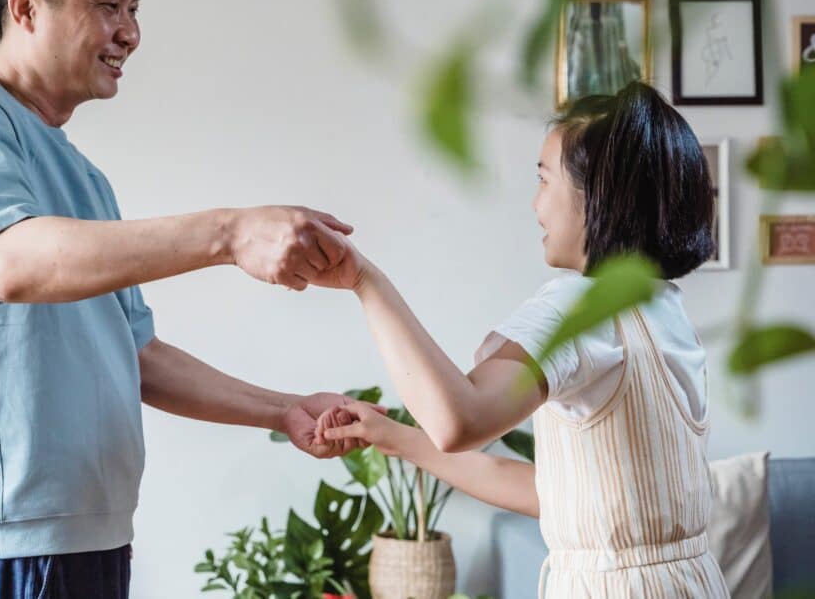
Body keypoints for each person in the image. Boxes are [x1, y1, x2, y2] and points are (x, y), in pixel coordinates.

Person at [0, 0, 372, 596]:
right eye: (109, 6)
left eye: (134, 11)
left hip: (98, 536)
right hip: (7, 544)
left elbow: (137, 353)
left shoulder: (87, 181)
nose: (130, 33)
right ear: (26, 7)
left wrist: (285, 409)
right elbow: (8, 262)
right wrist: (229, 232)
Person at [312, 82, 731, 597]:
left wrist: (363, 280)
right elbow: (555, 495)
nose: (536, 203)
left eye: (544, 178)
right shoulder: (662, 308)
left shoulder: (582, 307)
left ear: (597, 196)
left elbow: (456, 419)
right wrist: (393, 437)